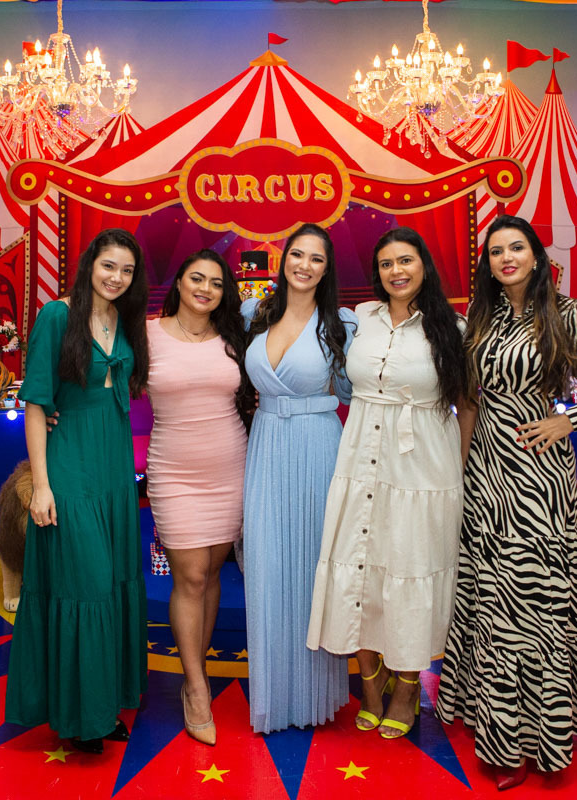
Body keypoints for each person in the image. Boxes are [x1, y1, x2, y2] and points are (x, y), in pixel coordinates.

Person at [436, 215, 577, 788]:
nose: (506, 257)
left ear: (536, 256)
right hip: (486, 470)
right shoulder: (482, 317)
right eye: (496, 251)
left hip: (538, 475)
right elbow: (467, 398)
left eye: (516, 247)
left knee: (533, 602)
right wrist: (458, 468)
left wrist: (568, 418)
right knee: (492, 601)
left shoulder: (569, 315)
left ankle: (535, 736)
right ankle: (497, 729)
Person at [306, 227, 466, 739]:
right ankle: (371, 682)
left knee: (409, 570)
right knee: (360, 567)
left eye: (406, 260)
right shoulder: (361, 319)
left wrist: (459, 469)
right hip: (360, 458)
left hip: (423, 469)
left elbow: (468, 404)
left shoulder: (452, 327)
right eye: (386, 263)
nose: (396, 271)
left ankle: (407, 686)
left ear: (424, 265)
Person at [5, 228, 150, 755]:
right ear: (90, 264)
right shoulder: (57, 315)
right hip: (69, 463)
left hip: (113, 463)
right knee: (83, 583)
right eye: (109, 266)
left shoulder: (125, 319)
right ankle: (79, 716)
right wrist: (42, 486)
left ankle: (102, 702)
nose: (117, 277)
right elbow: (36, 404)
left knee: (111, 581)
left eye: (127, 270)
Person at [242, 223, 357, 734]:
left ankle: (316, 696)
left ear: (327, 269)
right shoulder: (253, 313)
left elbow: (357, 391)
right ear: (283, 258)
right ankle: (276, 695)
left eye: (316, 258)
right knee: (267, 564)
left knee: (315, 568)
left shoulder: (342, 324)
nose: (304, 265)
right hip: (266, 446)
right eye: (297, 254)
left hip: (319, 449)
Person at [146, 249, 249, 746]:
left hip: (231, 468)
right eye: (197, 278)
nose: (205, 288)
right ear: (180, 282)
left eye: (216, 282)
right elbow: (103, 373)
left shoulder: (234, 336)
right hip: (173, 472)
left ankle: (197, 667)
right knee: (188, 575)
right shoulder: (146, 333)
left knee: (209, 575)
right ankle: (196, 687)